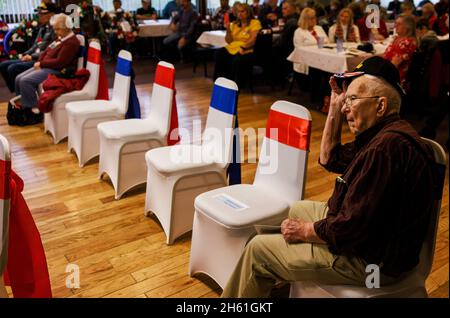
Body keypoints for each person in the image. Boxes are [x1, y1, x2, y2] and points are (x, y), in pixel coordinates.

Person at [221, 56, 436, 298]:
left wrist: (304, 231)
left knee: (257, 250)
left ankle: (262, 270)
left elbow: (349, 230)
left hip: (372, 262)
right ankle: (277, 272)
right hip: (374, 240)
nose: (346, 107)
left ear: (381, 106)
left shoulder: (384, 149)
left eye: (352, 99)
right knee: (298, 209)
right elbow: (329, 159)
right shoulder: (384, 134)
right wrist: (334, 106)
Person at [13, 14, 80, 125]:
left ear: (67, 27)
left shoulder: (71, 42)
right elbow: (46, 51)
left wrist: (42, 63)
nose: (56, 32)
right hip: (49, 66)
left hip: (60, 71)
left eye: (58, 29)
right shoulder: (61, 38)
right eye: (55, 29)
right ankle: (23, 108)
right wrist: (40, 60)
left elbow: (60, 62)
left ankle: (34, 112)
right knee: (18, 78)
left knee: (25, 81)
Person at [0, 2, 56, 93]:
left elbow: (49, 51)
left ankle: (20, 93)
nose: (39, 16)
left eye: (42, 14)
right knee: (3, 65)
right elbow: (35, 45)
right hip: (33, 56)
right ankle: (17, 92)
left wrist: (32, 56)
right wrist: (25, 54)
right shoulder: (43, 27)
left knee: (12, 68)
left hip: (40, 59)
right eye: (39, 13)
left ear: (51, 15)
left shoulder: (56, 29)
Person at [213, 3, 261, 88]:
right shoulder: (234, 24)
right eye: (238, 12)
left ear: (248, 12)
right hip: (233, 47)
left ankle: (236, 84)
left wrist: (244, 47)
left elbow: (254, 39)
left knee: (237, 59)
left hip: (247, 49)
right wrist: (228, 29)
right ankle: (220, 81)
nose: (240, 13)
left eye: (242, 11)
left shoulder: (254, 23)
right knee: (219, 53)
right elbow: (229, 41)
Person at [292, 7, 328, 75]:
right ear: (304, 19)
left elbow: (327, 41)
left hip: (321, 59)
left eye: (314, 17)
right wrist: (317, 44)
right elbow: (299, 49)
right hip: (306, 63)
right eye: (311, 18)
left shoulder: (319, 28)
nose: (314, 20)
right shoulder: (299, 31)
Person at [271, 0, 300, 82]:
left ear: (293, 8)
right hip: (291, 50)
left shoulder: (292, 21)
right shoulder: (296, 18)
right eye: (282, 8)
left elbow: (282, 43)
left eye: (285, 8)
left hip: (287, 52)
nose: (282, 11)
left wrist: (272, 44)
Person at [383, 14, 417, 83]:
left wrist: (377, 74)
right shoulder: (399, 39)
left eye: (399, 24)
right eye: (395, 23)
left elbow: (394, 65)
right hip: (388, 71)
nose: (395, 26)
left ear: (407, 27)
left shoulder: (405, 43)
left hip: (394, 79)